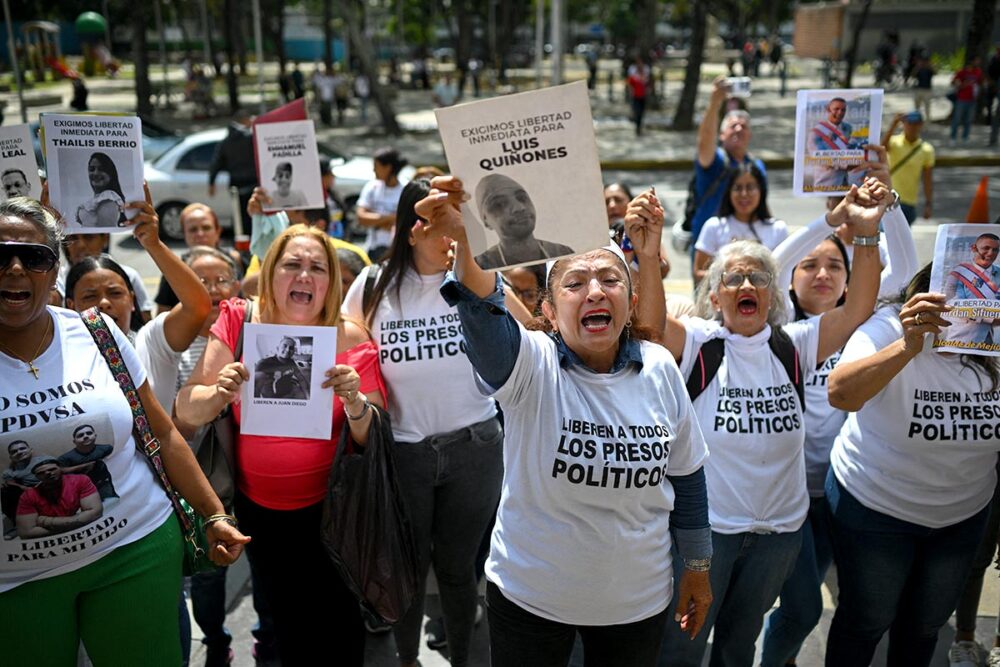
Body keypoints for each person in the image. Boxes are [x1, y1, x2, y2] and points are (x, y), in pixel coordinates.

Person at [414, 176, 713, 667]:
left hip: (636, 606)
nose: (595, 291)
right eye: (574, 283)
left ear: (631, 301)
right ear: (549, 312)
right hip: (531, 604)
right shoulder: (530, 364)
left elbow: (688, 476)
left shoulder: (659, 366)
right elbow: (486, 315)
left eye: (611, 280)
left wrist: (698, 567)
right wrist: (467, 243)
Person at [634, 176, 888, 665]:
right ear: (715, 296)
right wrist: (648, 258)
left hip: (780, 536)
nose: (747, 285)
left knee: (738, 643)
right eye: (733, 278)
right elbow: (649, 327)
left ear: (772, 297)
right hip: (710, 534)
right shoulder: (701, 344)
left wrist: (867, 234)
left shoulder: (794, 344)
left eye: (759, 278)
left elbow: (858, 306)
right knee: (681, 647)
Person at [0, 197, 247, 665]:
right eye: (1, 254)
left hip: (136, 553)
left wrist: (214, 515)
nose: (15, 268)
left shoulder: (99, 333)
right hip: (13, 584)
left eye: (33, 257)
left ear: (53, 270)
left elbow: (164, 432)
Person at [176, 224, 385, 667]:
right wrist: (218, 393)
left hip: (336, 512)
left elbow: (375, 436)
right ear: (271, 273)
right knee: (285, 625)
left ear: (332, 281)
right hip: (261, 513)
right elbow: (187, 411)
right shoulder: (239, 320)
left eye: (317, 267)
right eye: (293, 265)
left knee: (341, 625)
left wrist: (355, 404)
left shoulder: (351, 336)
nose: (305, 276)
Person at [343, 179, 517, 667]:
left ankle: (463, 658)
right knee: (409, 569)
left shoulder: (473, 275)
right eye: (441, 221)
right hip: (404, 454)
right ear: (415, 227)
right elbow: (343, 343)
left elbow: (522, 331)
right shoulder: (374, 286)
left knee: (461, 571)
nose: (452, 233)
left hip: (476, 449)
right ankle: (407, 659)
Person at [760, 155, 917, 666]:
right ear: (790, 282)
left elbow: (908, 271)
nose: (823, 273)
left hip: (836, 496)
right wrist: (827, 224)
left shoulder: (864, 323)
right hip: (778, 496)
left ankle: (776, 655)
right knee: (794, 605)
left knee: (800, 607)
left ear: (852, 281)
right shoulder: (773, 327)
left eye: (835, 265)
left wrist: (887, 203)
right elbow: (773, 263)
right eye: (812, 265)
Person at [825, 263, 1000, 665]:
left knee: (925, 627)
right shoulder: (889, 324)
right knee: (867, 621)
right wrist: (907, 345)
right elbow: (842, 394)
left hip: (960, 517)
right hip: (876, 509)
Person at [690, 76, 767, 271]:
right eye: (733, 125)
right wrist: (715, 103)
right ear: (721, 135)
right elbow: (704, 142)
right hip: (710, 249)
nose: (739, 129)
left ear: (750, 135)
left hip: (746, 253)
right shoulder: (715, 161)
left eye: (744, 126)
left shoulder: (757, 167)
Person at [693, 163, 788, 283]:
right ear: (729, 192)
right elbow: (698, 272)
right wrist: (730, 278)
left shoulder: (777, 229)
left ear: (761, 191)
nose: (744, 194)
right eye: (738, 188)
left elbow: (785, 273)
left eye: (750, 187)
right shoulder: (714, 226)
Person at [153, 203, 244, 314]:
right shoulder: (174, 269)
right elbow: (162, 314)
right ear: (184, 234)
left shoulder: (235, 260)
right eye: (193, 230)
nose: (200, 234)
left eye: (206, 228)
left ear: (217, 231)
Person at [473, 174, 574, 269]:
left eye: (522, 198)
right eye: (500, 204)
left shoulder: (562, 253)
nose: (519, 208)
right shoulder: (480, 265)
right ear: (485, 220)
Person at [55, 232, 154, 320]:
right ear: (71, 305)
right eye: (89, 296)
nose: (104, 304)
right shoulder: (55, 283)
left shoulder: (129, 275)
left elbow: (146, 320)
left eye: (115, 293)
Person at [15, 457, 102, 538]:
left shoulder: (80, 480)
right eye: (41, 473)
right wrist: (75, 523)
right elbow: (25, 532)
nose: (48, 473)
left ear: (61, 469)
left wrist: (47, 521)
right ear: (37, 477)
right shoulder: (28, 495)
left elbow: (96, 513)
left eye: (52, 469)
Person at [943, 232, 1000, 345]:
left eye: (995, 250)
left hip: (991, 340)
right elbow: (955, 306)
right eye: (986, 248)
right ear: (974, 248)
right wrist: (992, 319)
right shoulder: (958, 273)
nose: (990, 253)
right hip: (962, 339)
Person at [355, 147, 408, 261]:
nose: (374, 170)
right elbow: (361, 217)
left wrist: (376, 220)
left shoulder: (405, 189)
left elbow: (406, 221)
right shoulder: (372, 187)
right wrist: (391, 218)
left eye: (376, 166)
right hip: (373, 248)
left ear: (388, 168)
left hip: (398, 250)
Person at [882, 111, 935, 224]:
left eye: (916, 124)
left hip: (909, 202)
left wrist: (928, 204)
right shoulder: (895, 142)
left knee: (902, 240)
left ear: (921, 125)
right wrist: (893, 124)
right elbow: (882, 148)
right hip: (889, 198)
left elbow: (927, 180)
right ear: (904, 124)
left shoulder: (926, 150)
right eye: (909, 123)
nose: (912, 127)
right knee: (886, 237)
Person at [208, 110, 256, 233]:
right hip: (253, 183)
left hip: (236, 185)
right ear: (244, 120)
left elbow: (216, 164)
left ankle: (242, 239)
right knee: (254, 214)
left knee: (239, 215)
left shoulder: (225, 142)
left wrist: (211, 183)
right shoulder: (250, 138)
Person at [810, 97, 864, 191]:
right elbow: (818, 157)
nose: (840, 113)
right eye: (836, 109)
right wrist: (846, 165)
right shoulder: (816, 132)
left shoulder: (847, 128)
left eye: (843, 110)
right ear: (828, 109)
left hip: (844, 182)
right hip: (826, 182)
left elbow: (848, 149)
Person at [57, 424, 117, 501]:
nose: (85, 436)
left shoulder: (106, 449)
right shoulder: (65, 458)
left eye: (89, 433)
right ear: (74, 441)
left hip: (105, 484)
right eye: (80, 435)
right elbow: (59, 471)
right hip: (81, 490)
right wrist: (83, 466)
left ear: (95, 435)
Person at [76, 152, 127, 228]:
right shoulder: (96, 200)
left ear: (110, 173)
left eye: (101, 169)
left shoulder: (109, 198)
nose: (95, 173)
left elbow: (105, 231)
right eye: (92, 169)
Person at [2, 441, 40, 536]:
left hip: (47, 487)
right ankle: (18, 525)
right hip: (28, 493)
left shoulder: (44, 460)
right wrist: (22, 487)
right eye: (14, 451)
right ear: (11, 457)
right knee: (5, 491)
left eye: (22, 448)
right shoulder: (9, 472)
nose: (19, 452)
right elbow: (9, 482)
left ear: (30, 450)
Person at [951, 55, 984, 143]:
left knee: (968, 120)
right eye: (976, 61)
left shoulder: (978, 71)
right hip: (961, 99)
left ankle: (965, 137)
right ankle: (953, 137)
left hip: (972, 100)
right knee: (957, 119)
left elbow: (980, 82)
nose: (978, 62)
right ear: (972, 61)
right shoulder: (963, 71)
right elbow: (953, 82)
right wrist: (961, 85)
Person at [626, 55, 651, 136]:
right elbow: (630, 84)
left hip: (643, 96)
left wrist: (648, 90)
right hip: (635, 96)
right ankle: (637, 126)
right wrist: (630, 92)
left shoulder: (646, 73)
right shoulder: (633, 74)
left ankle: (639, 126)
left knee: (641, 112)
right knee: (637, 111)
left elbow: (648, 84)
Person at [912, 55, 936, 121]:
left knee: (927, 107)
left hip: (927, 90)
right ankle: (916, 119)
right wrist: (918, 66)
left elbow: (935, 73)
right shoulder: (919, 68)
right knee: (917, 106)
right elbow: (913, 75)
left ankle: (927, 121)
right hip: (919, 89)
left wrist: (931, 65)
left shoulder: (929, 69)